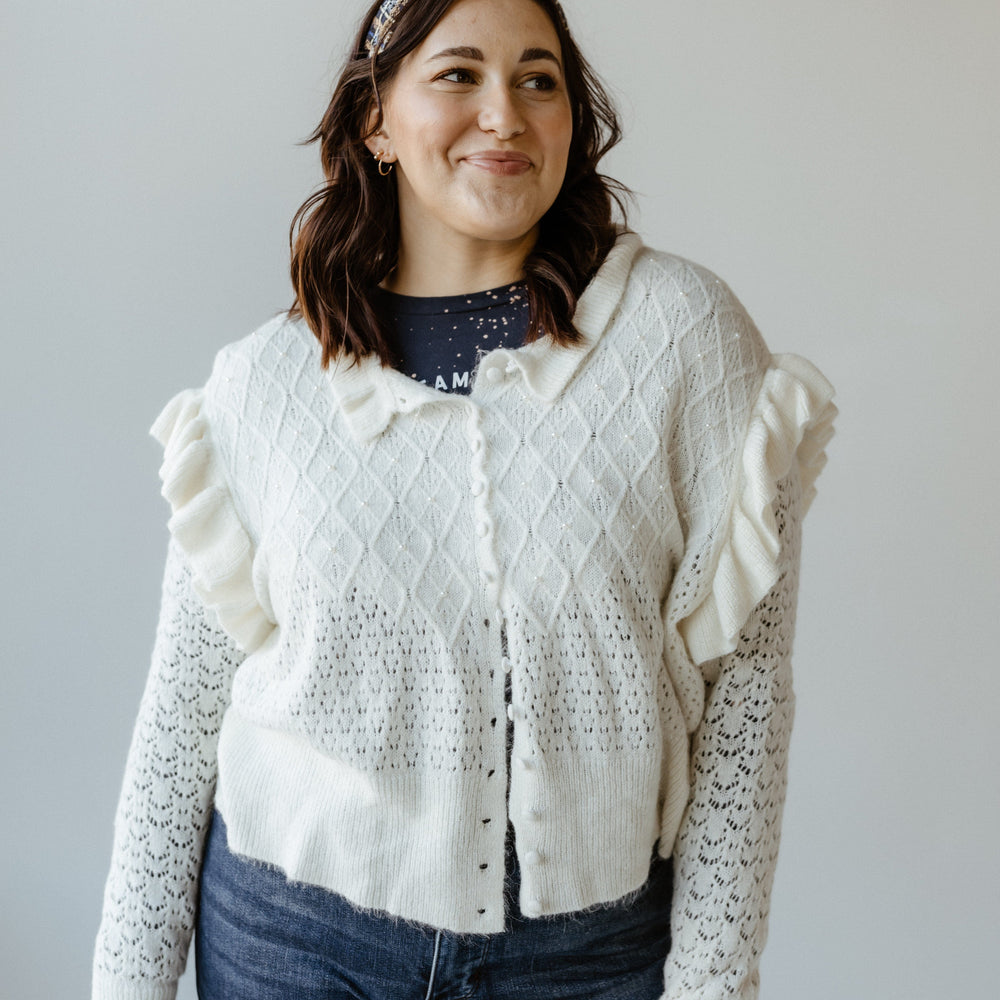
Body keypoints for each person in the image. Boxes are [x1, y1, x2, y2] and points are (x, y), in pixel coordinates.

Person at [92, 0, 836, 997]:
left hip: (586, 959)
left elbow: (744, 701)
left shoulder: (683, 342)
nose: (504, 115)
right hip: (291, 944)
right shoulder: (262, 387)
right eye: (456, 76)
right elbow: (182, 724)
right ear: (375, 120)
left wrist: (711, 982)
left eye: (539, 79)